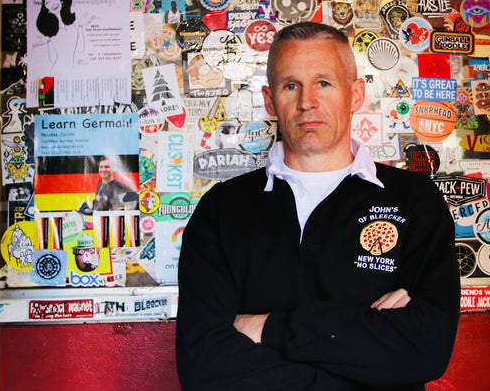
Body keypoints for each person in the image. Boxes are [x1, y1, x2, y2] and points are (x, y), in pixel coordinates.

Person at [176, 22, 460, 390]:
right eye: (290, 85)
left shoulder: (415, 200)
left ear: (355, 94)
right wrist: (365, 346)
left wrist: (270, 328)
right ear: (269, 100)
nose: (307, 101)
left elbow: (425, 349)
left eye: (323, 83)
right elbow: (204, 368)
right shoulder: (221, 209)